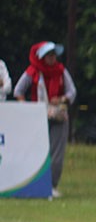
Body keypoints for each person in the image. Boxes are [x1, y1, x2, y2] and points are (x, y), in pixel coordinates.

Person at [13, 42, 77, 198]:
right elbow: (18, 91)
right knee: (35, 151)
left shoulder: (61, 71)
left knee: (57, 152)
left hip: (58, 115)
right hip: (38, 117)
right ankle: (32, 183)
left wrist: (62, 99)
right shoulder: (33, 71)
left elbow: (72, 92)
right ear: (42, 57)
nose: (53, 58)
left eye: (54, 55)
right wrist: (26, 108)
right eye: (49, 55)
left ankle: (52, 186)